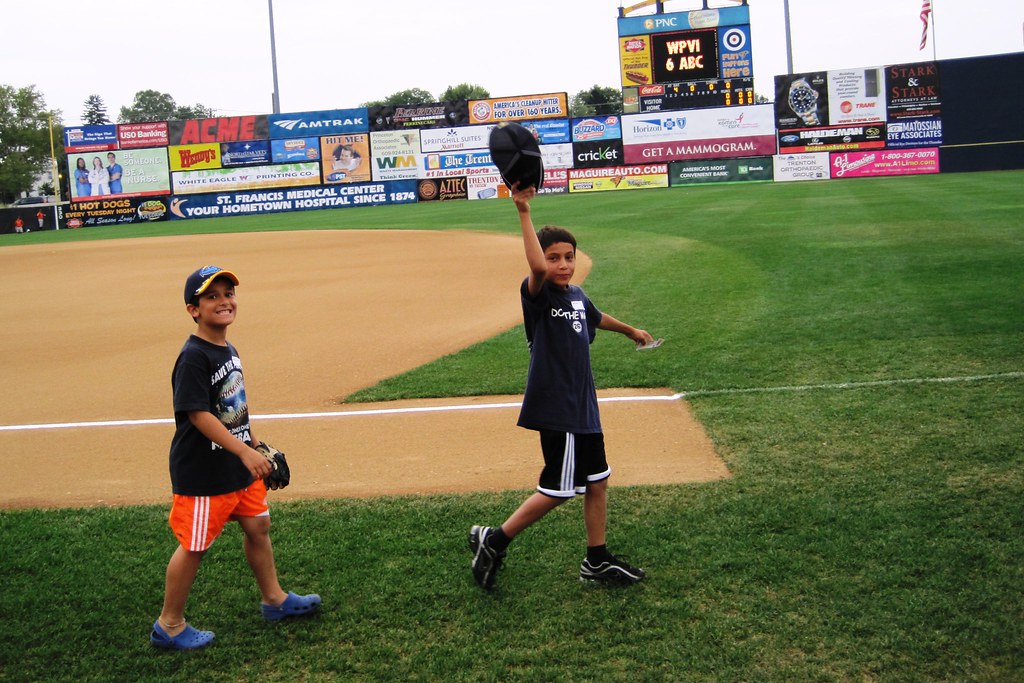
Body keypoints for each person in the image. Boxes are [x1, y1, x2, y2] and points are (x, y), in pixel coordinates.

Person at [468, 183, 655, 591]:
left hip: (583, 408)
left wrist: (630, 331)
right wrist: (523, 212)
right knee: (559, 488)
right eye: (554, 258)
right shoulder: (537, 294)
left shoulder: (576, 295)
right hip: (559, 409)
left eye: (568, 257)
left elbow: (597, 316)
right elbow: (535, 269)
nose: (563, 265)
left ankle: (597, 560)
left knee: (597, 480)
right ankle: (494, 541)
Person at [151, 266, 321, 650]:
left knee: (258, 528)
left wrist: (256, 445)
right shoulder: (193, 356)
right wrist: (244, 452)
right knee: (194, 546)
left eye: (228, 294)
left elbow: (235, 409)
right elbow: (198, 414)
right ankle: (169, 624)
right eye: (212, 296)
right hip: (204, 472)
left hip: (237, 466)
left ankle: (274, 599)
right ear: (193, 309)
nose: (224, 301)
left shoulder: (228, 350)